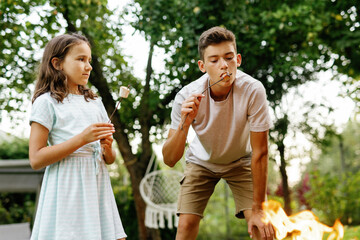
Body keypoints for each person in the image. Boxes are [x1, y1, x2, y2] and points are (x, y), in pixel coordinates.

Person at [162, 26, 275, 240]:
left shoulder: (253, 90)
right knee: (185, 225)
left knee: (262, 227)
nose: (224, 65)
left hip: (241, 161)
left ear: (238, 60)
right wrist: (185, 124)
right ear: (202, 66)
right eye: (214, 60)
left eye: (228, 57)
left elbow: (260, 152)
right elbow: (169, 159)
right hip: (201, 162)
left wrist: (259, 209)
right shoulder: (186, 96)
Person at [29, 33, 127, 240]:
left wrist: (107, 149)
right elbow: (36, 159)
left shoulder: (95, 102)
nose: (88, 66)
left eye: (89, 60)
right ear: (57, 63)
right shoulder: (46, 102)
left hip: (96, 184)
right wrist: (82, 139)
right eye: (81, 59)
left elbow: (109, 159)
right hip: (67, 187)